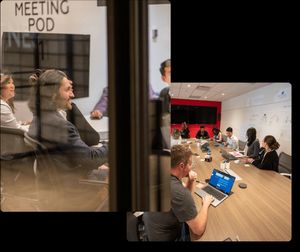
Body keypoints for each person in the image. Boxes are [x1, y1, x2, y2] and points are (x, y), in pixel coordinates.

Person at [27, 69, 108, 170]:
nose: (72, 95)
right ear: (53, 94)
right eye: (68, 89)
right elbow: (91, 159)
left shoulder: (38, 119)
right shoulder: (61, 127)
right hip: (73, 182)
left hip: (51, 180)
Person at [142, 145, 214, 241]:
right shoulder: (178, 191)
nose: (191, 167)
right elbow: (198, 230)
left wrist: (191, 181)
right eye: (190, 164)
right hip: (167, 237)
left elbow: (182, 200)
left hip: (152, 228)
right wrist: (205, 205)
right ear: (181, 166)